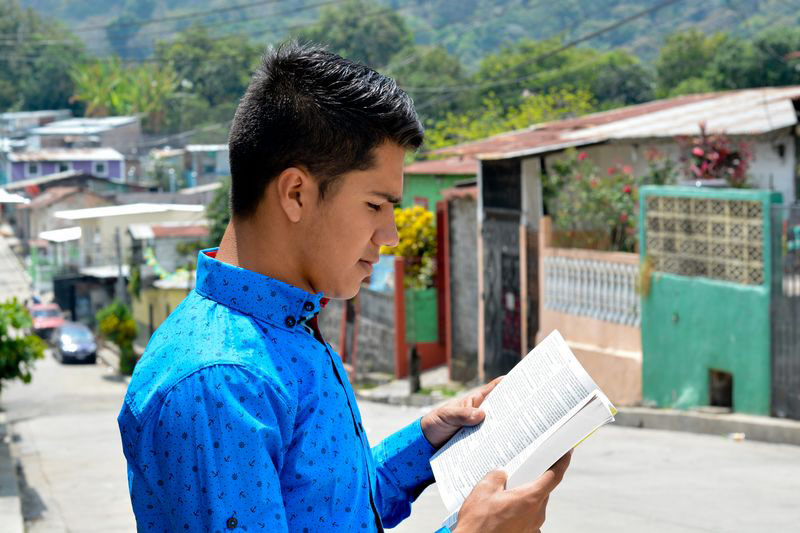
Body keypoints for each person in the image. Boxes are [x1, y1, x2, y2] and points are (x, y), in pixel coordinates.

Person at [117, 42, 570, 533]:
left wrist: (427, 441)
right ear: (296, 194)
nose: (390, 235)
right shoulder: (222, 382)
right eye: (376, 205)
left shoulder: (283, 329)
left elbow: (330, 509)